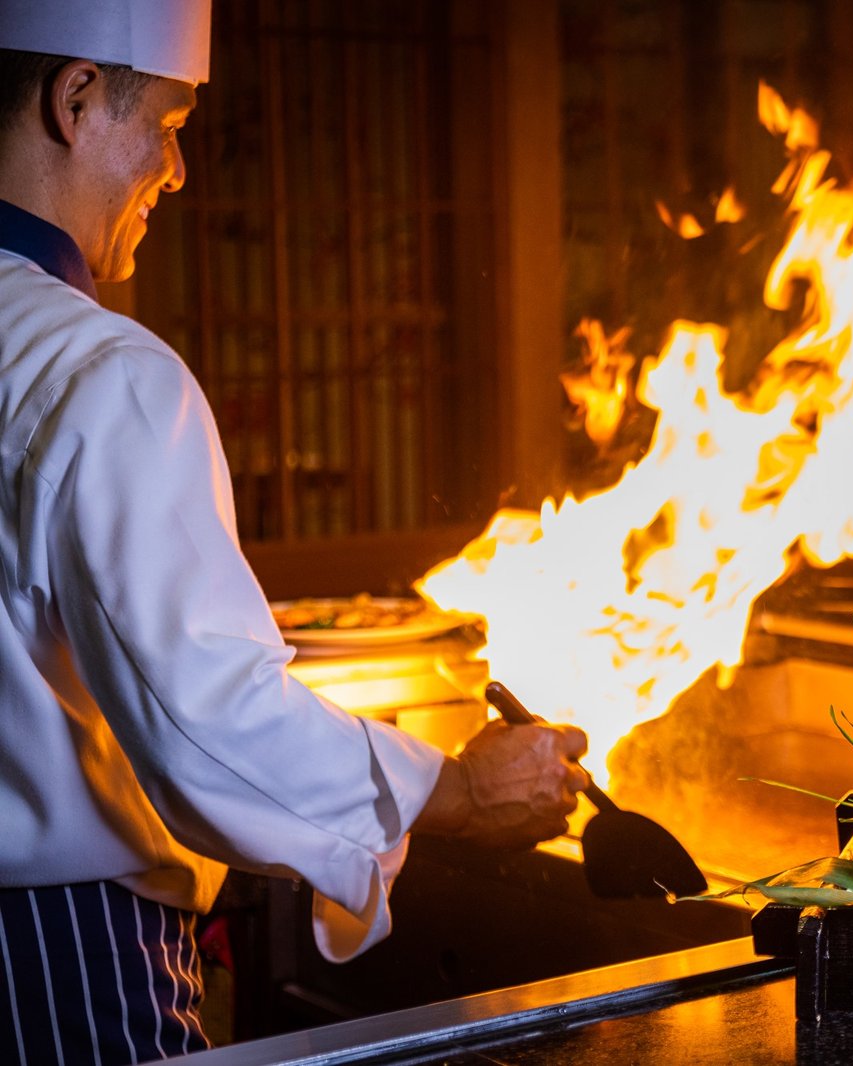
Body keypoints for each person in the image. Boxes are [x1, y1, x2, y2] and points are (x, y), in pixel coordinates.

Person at [0, 2, 590, 1062]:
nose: (176, 171)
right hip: (54, 949)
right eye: (169, 123)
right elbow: (208, 726)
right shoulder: (103, 374)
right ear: (76, 98)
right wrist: (450, 787)